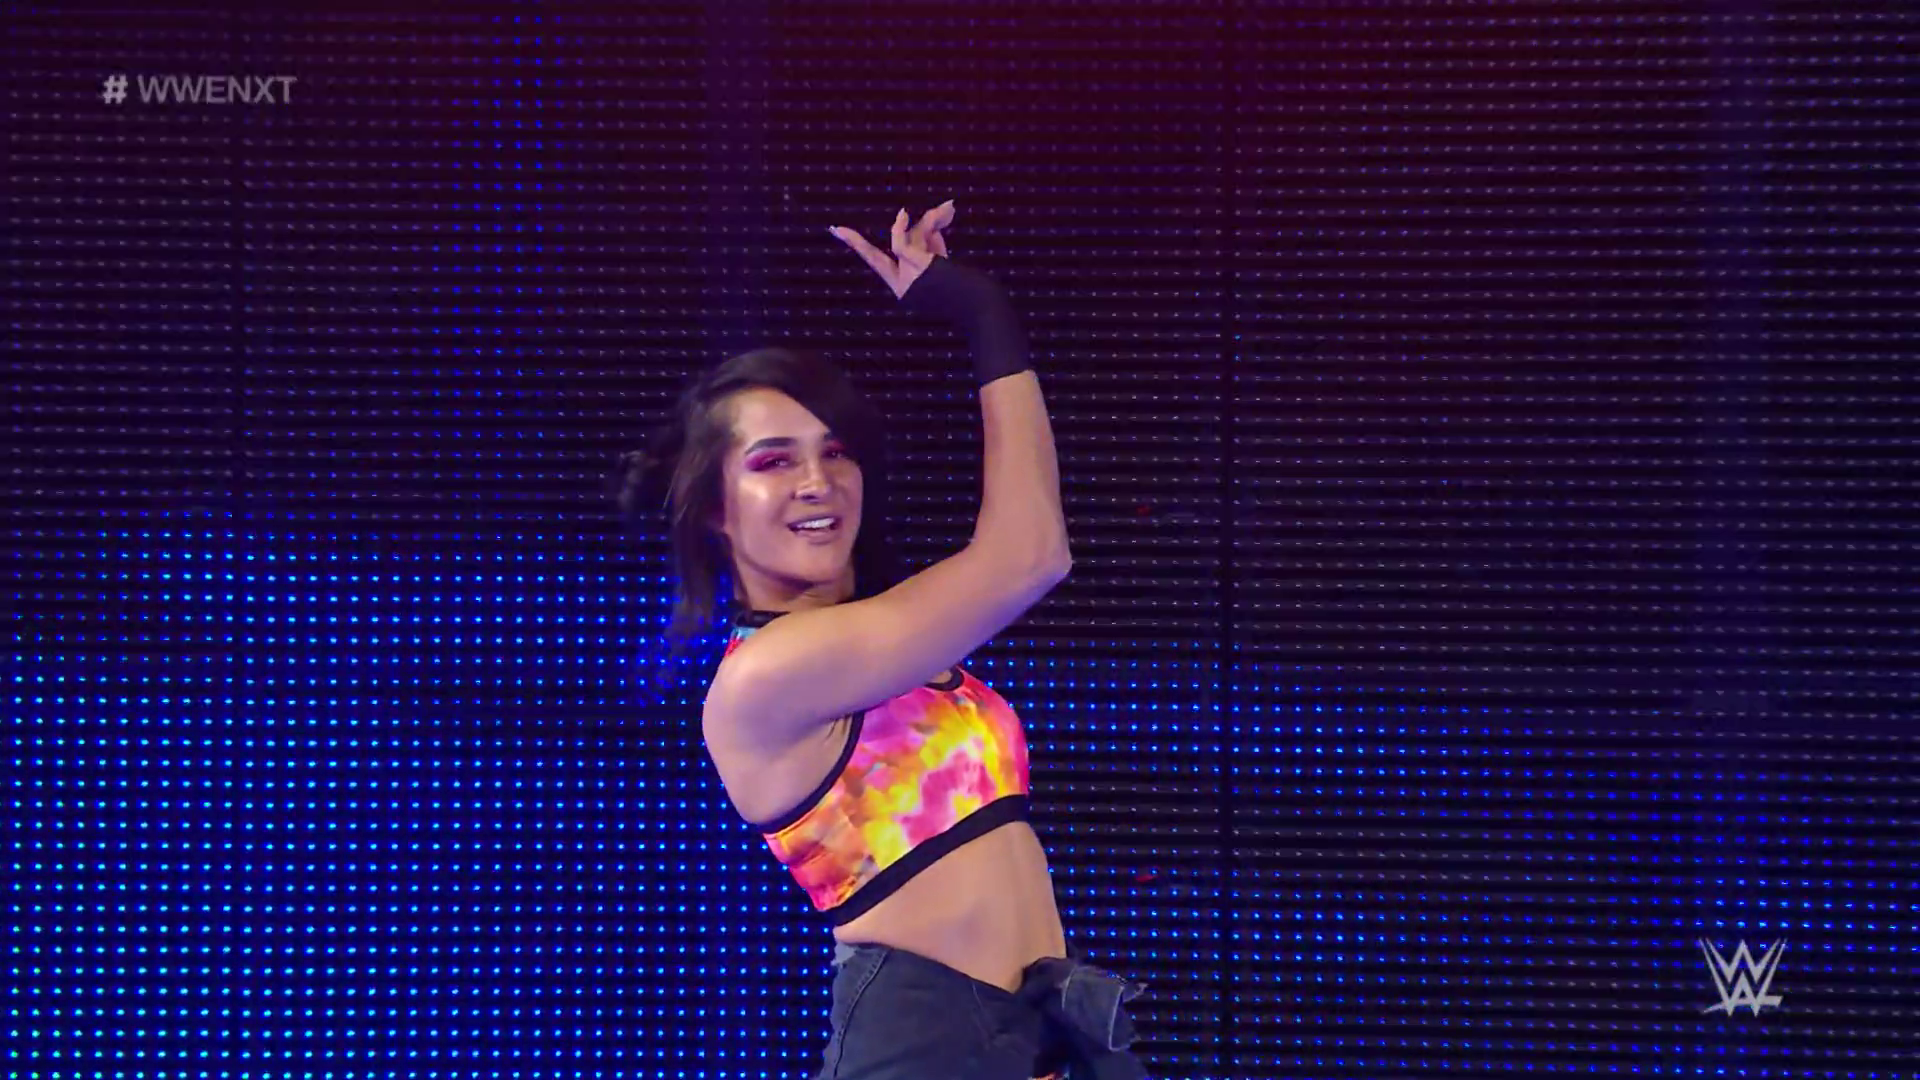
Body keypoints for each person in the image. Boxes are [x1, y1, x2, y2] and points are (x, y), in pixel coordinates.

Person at [611, 201, 1151, 1079]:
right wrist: (979, 310)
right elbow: (1031, 554)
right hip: (925, 1050)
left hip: (1045, 1042)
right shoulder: (764, 674)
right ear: (714, 508)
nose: (818, 481)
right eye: (773, 461)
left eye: (835, 452)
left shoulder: (889, 649)